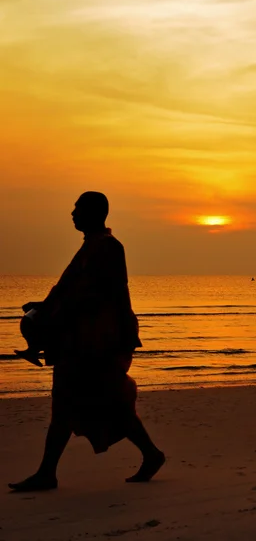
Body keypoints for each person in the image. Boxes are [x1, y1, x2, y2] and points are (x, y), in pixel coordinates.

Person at [9, 192, 165, 492]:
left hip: (96, 343)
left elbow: (102, 295)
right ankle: (48, 472)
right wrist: (44, 304)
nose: (72, 213)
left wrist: (54, 312)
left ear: (94, 212)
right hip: (79, 341)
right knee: (72, 405)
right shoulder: (91, 247)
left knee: (101, 404)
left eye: (77, 208)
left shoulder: (108, 248)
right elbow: (72, 290)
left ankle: (150, 454)